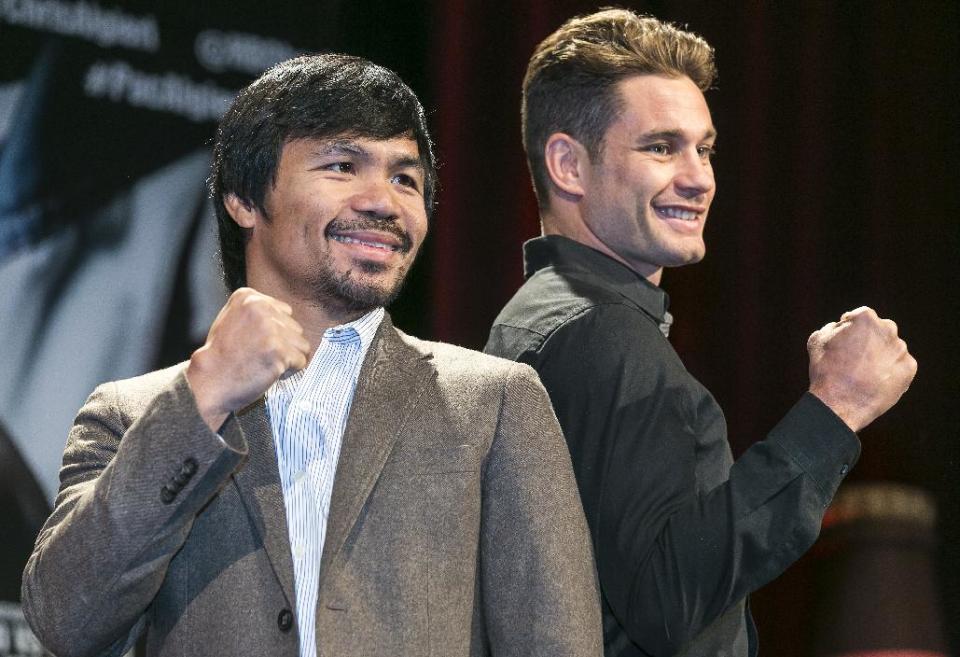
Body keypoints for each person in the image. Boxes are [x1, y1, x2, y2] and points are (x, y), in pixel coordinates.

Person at [22, 54, 601, 657]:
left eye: (406, 179)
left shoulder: (496, 403)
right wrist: (203, 401)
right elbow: (67, 618)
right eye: (343, 165)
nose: (385, 202)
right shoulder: (131, 414)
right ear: (244, 198)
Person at [485, 10, 917, 657]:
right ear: (569, 165)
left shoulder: (533, 317)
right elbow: (668, 599)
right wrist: (837, 407)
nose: (699, 177)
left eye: (704, 147)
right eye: (662, 146)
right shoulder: (606, 338)